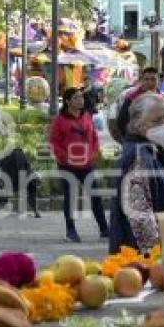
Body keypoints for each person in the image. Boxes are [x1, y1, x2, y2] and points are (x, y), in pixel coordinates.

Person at [108, 93, 164, 254]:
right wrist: (159, 256)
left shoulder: (151, 150)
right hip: (142, 262)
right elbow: (140, 219)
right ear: (136, 124)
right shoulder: (139, 158)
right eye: (156, 121)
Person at [49, 87, 109, 243]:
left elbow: (94, 137)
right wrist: (64, 157)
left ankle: (104, 229)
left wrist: (94, 153)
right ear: (68, 101)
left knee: (95, 196)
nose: (80, 100)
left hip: (87, 164)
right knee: (70, 198)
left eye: (81, 97)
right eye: (76, 98)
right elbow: (54, 142)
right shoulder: (59, 120)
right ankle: (71, 231)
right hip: (67, 165)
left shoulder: (87, 116)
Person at [114, 66, 164, 143]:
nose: (150, 82)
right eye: (146, 79)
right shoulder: (132, 97)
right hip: (136, 141)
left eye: (153, 79)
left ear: (159, 81)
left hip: (158, 142)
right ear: (142, 80)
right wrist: (130, 138)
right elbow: (121, 122)